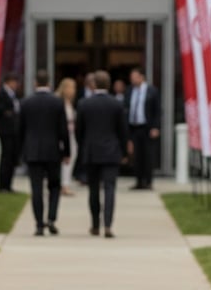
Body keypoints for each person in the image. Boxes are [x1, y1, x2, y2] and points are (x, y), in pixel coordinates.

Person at [76, 70, 128, 238]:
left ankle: (95, 224)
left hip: (92, 152)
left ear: (93, 84)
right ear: (109, 84)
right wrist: (124, 151)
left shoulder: (84, 104)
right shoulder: (116, 104)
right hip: (111, 152)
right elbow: (122, 131)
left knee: (93, 189)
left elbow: (79, 131)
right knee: (110, 188)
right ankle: (108, 224)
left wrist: (83, 147)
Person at [19, 70, 69, 236]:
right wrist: (67, 151)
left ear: (35, 83)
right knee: (54, 186)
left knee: (36, 189)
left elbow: (20, 130)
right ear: (49, 83)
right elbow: (63, 130)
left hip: (33, 152)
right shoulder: (57, 102)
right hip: (53, 151)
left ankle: (39, 224)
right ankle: (51, 218)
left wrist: (21, 152)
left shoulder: (26, 102)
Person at [126, 66, 161, 190]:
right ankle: (139, 181)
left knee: (148, 155)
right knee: (136, 156)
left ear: (142, 77)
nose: (132, 79)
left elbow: (157, 110)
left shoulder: (152, 91)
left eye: (135, 77)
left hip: (147, 128)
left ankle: (148, 181)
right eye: (131, 77)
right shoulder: (130, 91)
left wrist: (156, 127)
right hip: (134, 127)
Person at [0, 71, 21, 192]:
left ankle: (8, 184)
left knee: (12, 157)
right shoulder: (1, 93)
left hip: (14, 130)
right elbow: (1, 110)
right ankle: (3, 185)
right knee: (6, 157)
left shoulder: (14, 95)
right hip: (5, 130)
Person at [55, 77, 78, 196]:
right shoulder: (59, 102)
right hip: (63, 135)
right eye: (72, 88)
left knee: (71, 157)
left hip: (71, 134)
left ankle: (65, 182)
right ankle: (63, 184)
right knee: (65, 158)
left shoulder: (69, 103)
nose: (73, 91)